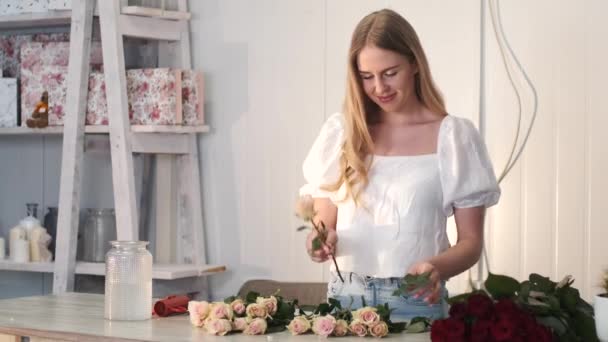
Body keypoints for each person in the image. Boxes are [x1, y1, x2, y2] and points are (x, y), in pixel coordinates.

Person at [299, 8, 500, 321]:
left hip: (415, 299)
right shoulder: (343, 133)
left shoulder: (453, 137)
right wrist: (318, 242)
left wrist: (438, 266)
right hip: (345, 299)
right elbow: (324, 226)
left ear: (415, 64)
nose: (379, 87)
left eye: (390, 73)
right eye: (367, 77)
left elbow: (471, 244)